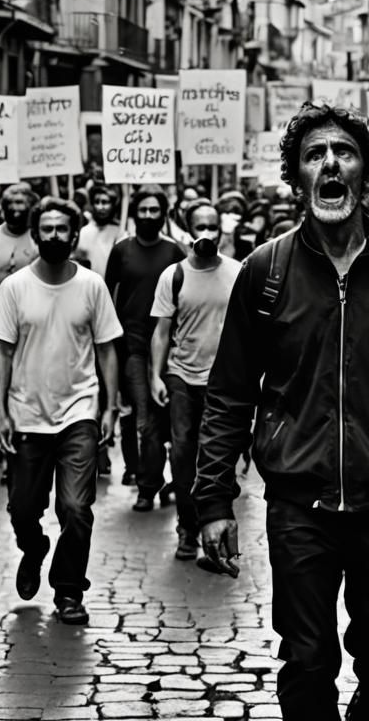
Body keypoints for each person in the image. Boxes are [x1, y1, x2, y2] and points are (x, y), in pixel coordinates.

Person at [194, 103, 369, 721]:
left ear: (366, 175)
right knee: (307, 659)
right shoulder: (265, 273)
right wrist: (212, 501)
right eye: (314, 155)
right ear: (297, 179)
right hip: (300, 506)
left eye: (343, 153)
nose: (329, 163)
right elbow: (230, 394)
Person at [0, 197, 122, 625]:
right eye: (46, 229)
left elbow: (107, 350)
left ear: (74, 235)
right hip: (26, 413)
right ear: (34, 235)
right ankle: (34, 548)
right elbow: (1, 355)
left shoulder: (92, 286)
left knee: (76, 508)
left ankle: (68, 591)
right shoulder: (14, 288)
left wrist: (109, 407)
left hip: (78, 411)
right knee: (23, 511)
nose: (53, 236)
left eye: (62, 228)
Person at [149, 201, 240, 562]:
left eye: (212, 226)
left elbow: (251, 330)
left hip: (223, 382)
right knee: (184, 454)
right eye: (199, 225)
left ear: (222, 231)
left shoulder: (237, 272)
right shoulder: (174, 276)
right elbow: (161, 332)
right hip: (182, 377)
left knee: (217, 456)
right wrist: (156, 377)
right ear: (186, 231)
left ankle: (216, 525)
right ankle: (188, 527)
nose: (206, 233)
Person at [105, 187, 186, 504]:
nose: (149, 216)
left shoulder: (175, 252)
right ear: (134, 213)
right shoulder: (121, 250)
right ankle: (148, 485)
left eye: (155, 210)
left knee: (169, 418)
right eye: (143, 210)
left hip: (170, 347)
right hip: (134, 347)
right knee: (145, 417)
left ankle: (168, 480)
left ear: (163, 214)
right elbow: (106, 297)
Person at [73, 185, 123, 276]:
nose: (100, 207)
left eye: (105, 202)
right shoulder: (85, 231)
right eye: (97, 202)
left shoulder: (119, 232)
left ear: (112, 205)